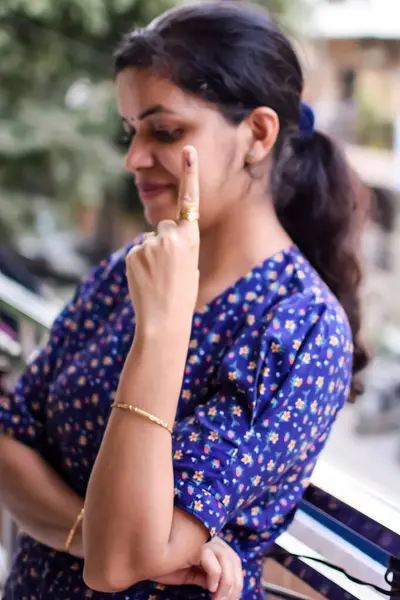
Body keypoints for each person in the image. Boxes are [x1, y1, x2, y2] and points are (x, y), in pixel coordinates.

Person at [0, 2, 369, 599]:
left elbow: (118, 569)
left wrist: (164, 332)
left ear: (257, 134)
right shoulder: (128, 269)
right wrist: (97, 534)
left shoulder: (300, 328)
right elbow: (9, 442)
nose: (133, 159)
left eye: (165, 131)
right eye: (131, 131)